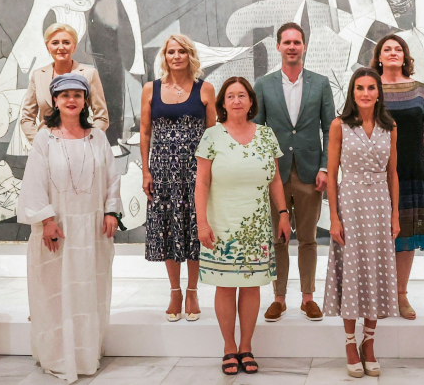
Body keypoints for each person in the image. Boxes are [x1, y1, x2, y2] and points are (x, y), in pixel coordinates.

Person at [19, 74, 122, 383]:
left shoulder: (97, 137)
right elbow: (34, 183)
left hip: (92, 229)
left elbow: (112, 177)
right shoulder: (44, 138)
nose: (71, 100)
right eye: (65, 95)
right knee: (55, 290)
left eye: (77, 94)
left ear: (85, 100)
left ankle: (86, 353)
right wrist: (46, 221)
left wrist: (111, 211)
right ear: (55, 100)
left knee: (88, 288)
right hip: (58, 228)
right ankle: (57, 355)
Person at [195, 76, 292, 375]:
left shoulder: (266, 134)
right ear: (222, 103)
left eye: (242, 95)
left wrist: (283, 213)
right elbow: (201, 183)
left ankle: (246, 346)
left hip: (256, 226)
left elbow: (275, 179)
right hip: (221, 225)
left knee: (251, 287)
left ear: (251, 102)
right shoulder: (211, 136)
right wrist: (201, 223)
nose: (236, 100)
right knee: (225, 286)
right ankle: (229, 347)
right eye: (230, 96)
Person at [253, 23, 336, 323]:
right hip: (276, 173)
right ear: (278, 46)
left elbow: (330, 129)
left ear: (304, 47)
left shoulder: (320, 83)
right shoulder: (263, 84)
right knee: (278, 238)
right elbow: (258, 130)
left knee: (309, 239)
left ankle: (308, 298)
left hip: (311, 173)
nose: (292, 47)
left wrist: (325, 167)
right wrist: (263, 169)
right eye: (286, 42)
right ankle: (279, 299)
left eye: (297, 42)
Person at [324, 68, 401, 378]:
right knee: (352, 270)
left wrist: (395, 215)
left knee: (376, 271)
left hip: (380, 203)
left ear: (379, 92)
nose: (366, 93)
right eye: (360, 88)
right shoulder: (339, 126)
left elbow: (393, 173)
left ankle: (369, 343)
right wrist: (333, 217)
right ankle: (350, 344)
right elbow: (332, 174)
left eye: (371, 87)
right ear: (352, 92)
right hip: (351, 202)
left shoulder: (389, 127)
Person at [140, 34, 215, 322]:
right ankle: (175, 292)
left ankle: (192, 291)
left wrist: (211, 173)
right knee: (168, 229)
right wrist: (146, 170)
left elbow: (213, 135)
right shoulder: (151, 89)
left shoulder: (205, 89)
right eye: (171, 52)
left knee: (194, 228)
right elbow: (145, 132)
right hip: (161, 171)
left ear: (190, 55)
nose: (176, 56)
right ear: (165, 56)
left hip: (195, 171)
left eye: (182, 51)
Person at [374, 34, 424, 319]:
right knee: (378, 235)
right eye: (387, 49)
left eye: (398, 49)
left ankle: (401, 294)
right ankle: (381, 294)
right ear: (379, 57)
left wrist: (412, 147)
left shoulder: (419, 91)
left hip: (411, 171)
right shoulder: (371, 88)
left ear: (405, 57)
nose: (393, 52)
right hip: (376, 172)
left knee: (406, 232)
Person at [20, 24, 109, 143]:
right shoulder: (38, 75)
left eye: (66, 42)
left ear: (74, 47)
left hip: (79, 145)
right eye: (55, 43)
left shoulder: (89, 74)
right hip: (46, 147)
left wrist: (87, 141)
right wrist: (39, 142)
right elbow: (27, 118)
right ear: (48, 47)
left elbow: (102, 117)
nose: (61, 47)